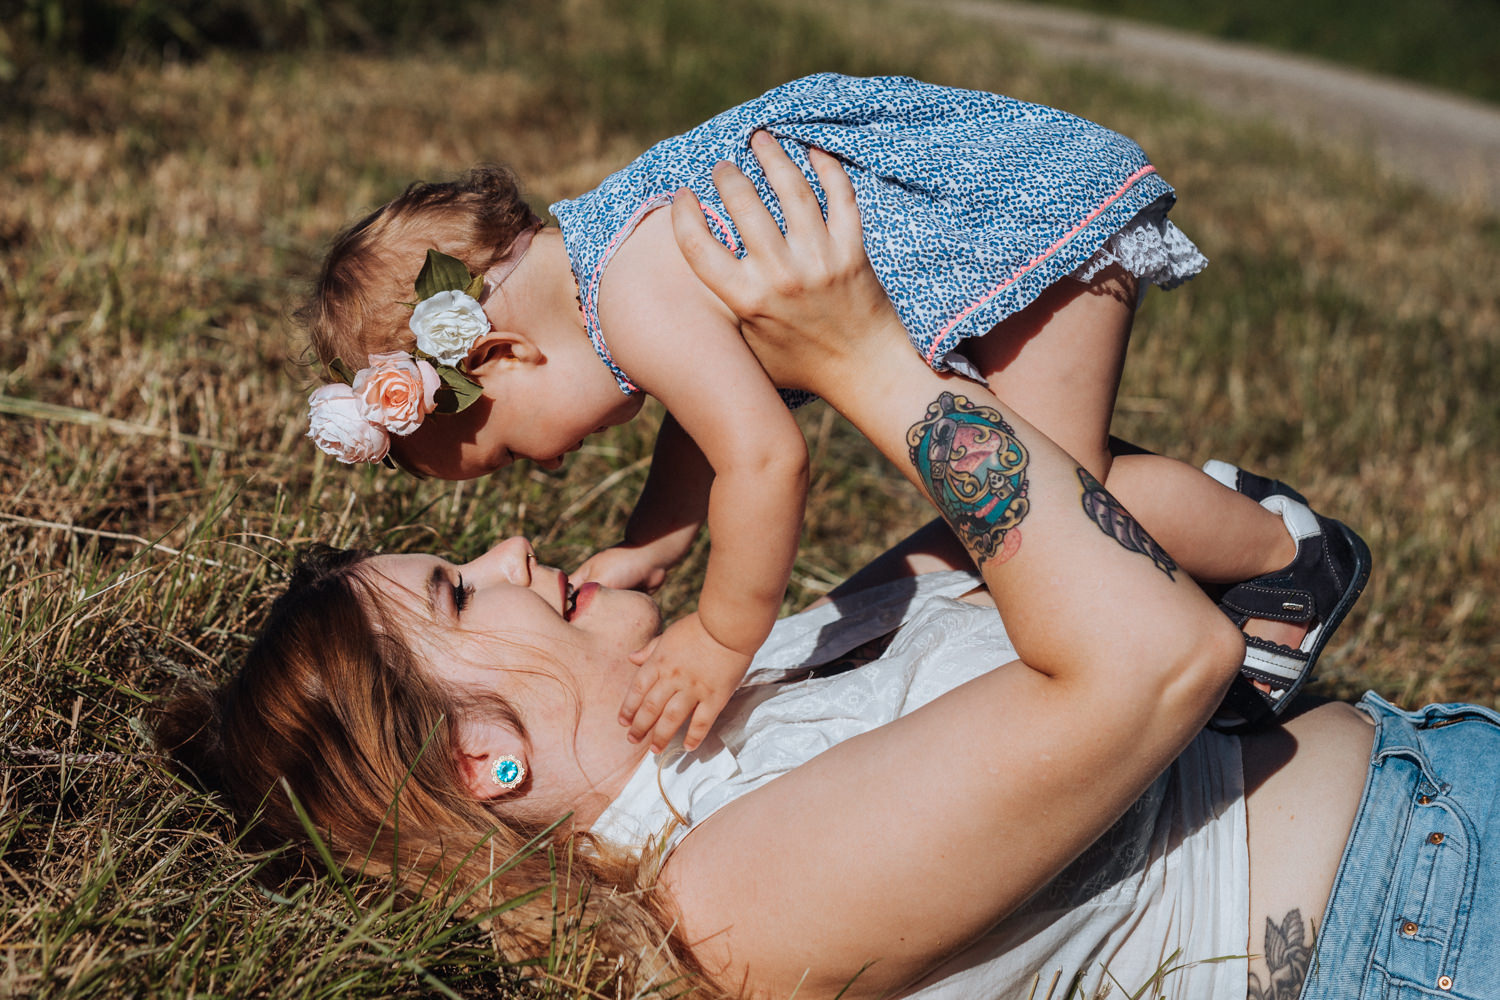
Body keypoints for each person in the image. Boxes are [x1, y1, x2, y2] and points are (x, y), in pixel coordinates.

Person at [160, 145, 1499, 1000]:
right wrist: (863, 357)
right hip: (1426, 927)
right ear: (479, 765)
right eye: (460, 589)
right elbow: (1151, 657)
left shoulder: (729, 698)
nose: (514, 545)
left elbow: (1035, 520)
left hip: (1438, 802)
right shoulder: (727, 906)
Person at [295, 73, 1366, 752]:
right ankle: (1238, 534)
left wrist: (720, 636)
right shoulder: (611, 275)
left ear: (498, 356)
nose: (549, 466)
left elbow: (764, 460)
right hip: (990, 220)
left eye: (515, 452)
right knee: (1020, 492)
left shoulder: (632, 289)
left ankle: (1287, 553)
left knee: (1053, 496)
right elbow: (704, 420)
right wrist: (652, 551)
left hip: (1018, 227)